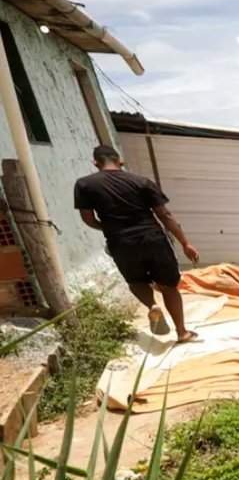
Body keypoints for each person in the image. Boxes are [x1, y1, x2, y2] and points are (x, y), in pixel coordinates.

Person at [74, 145, 200, 341]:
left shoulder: (85, 185)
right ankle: (182, 332)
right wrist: (185, 243)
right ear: (120, 161)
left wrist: (108, 228)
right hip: (153, 238)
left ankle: (152, 306)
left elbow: (88, 219)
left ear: (96, 163)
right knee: (168, 286)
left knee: (136, 281)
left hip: (120, 241)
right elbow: (164, 215)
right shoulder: (142, 182)